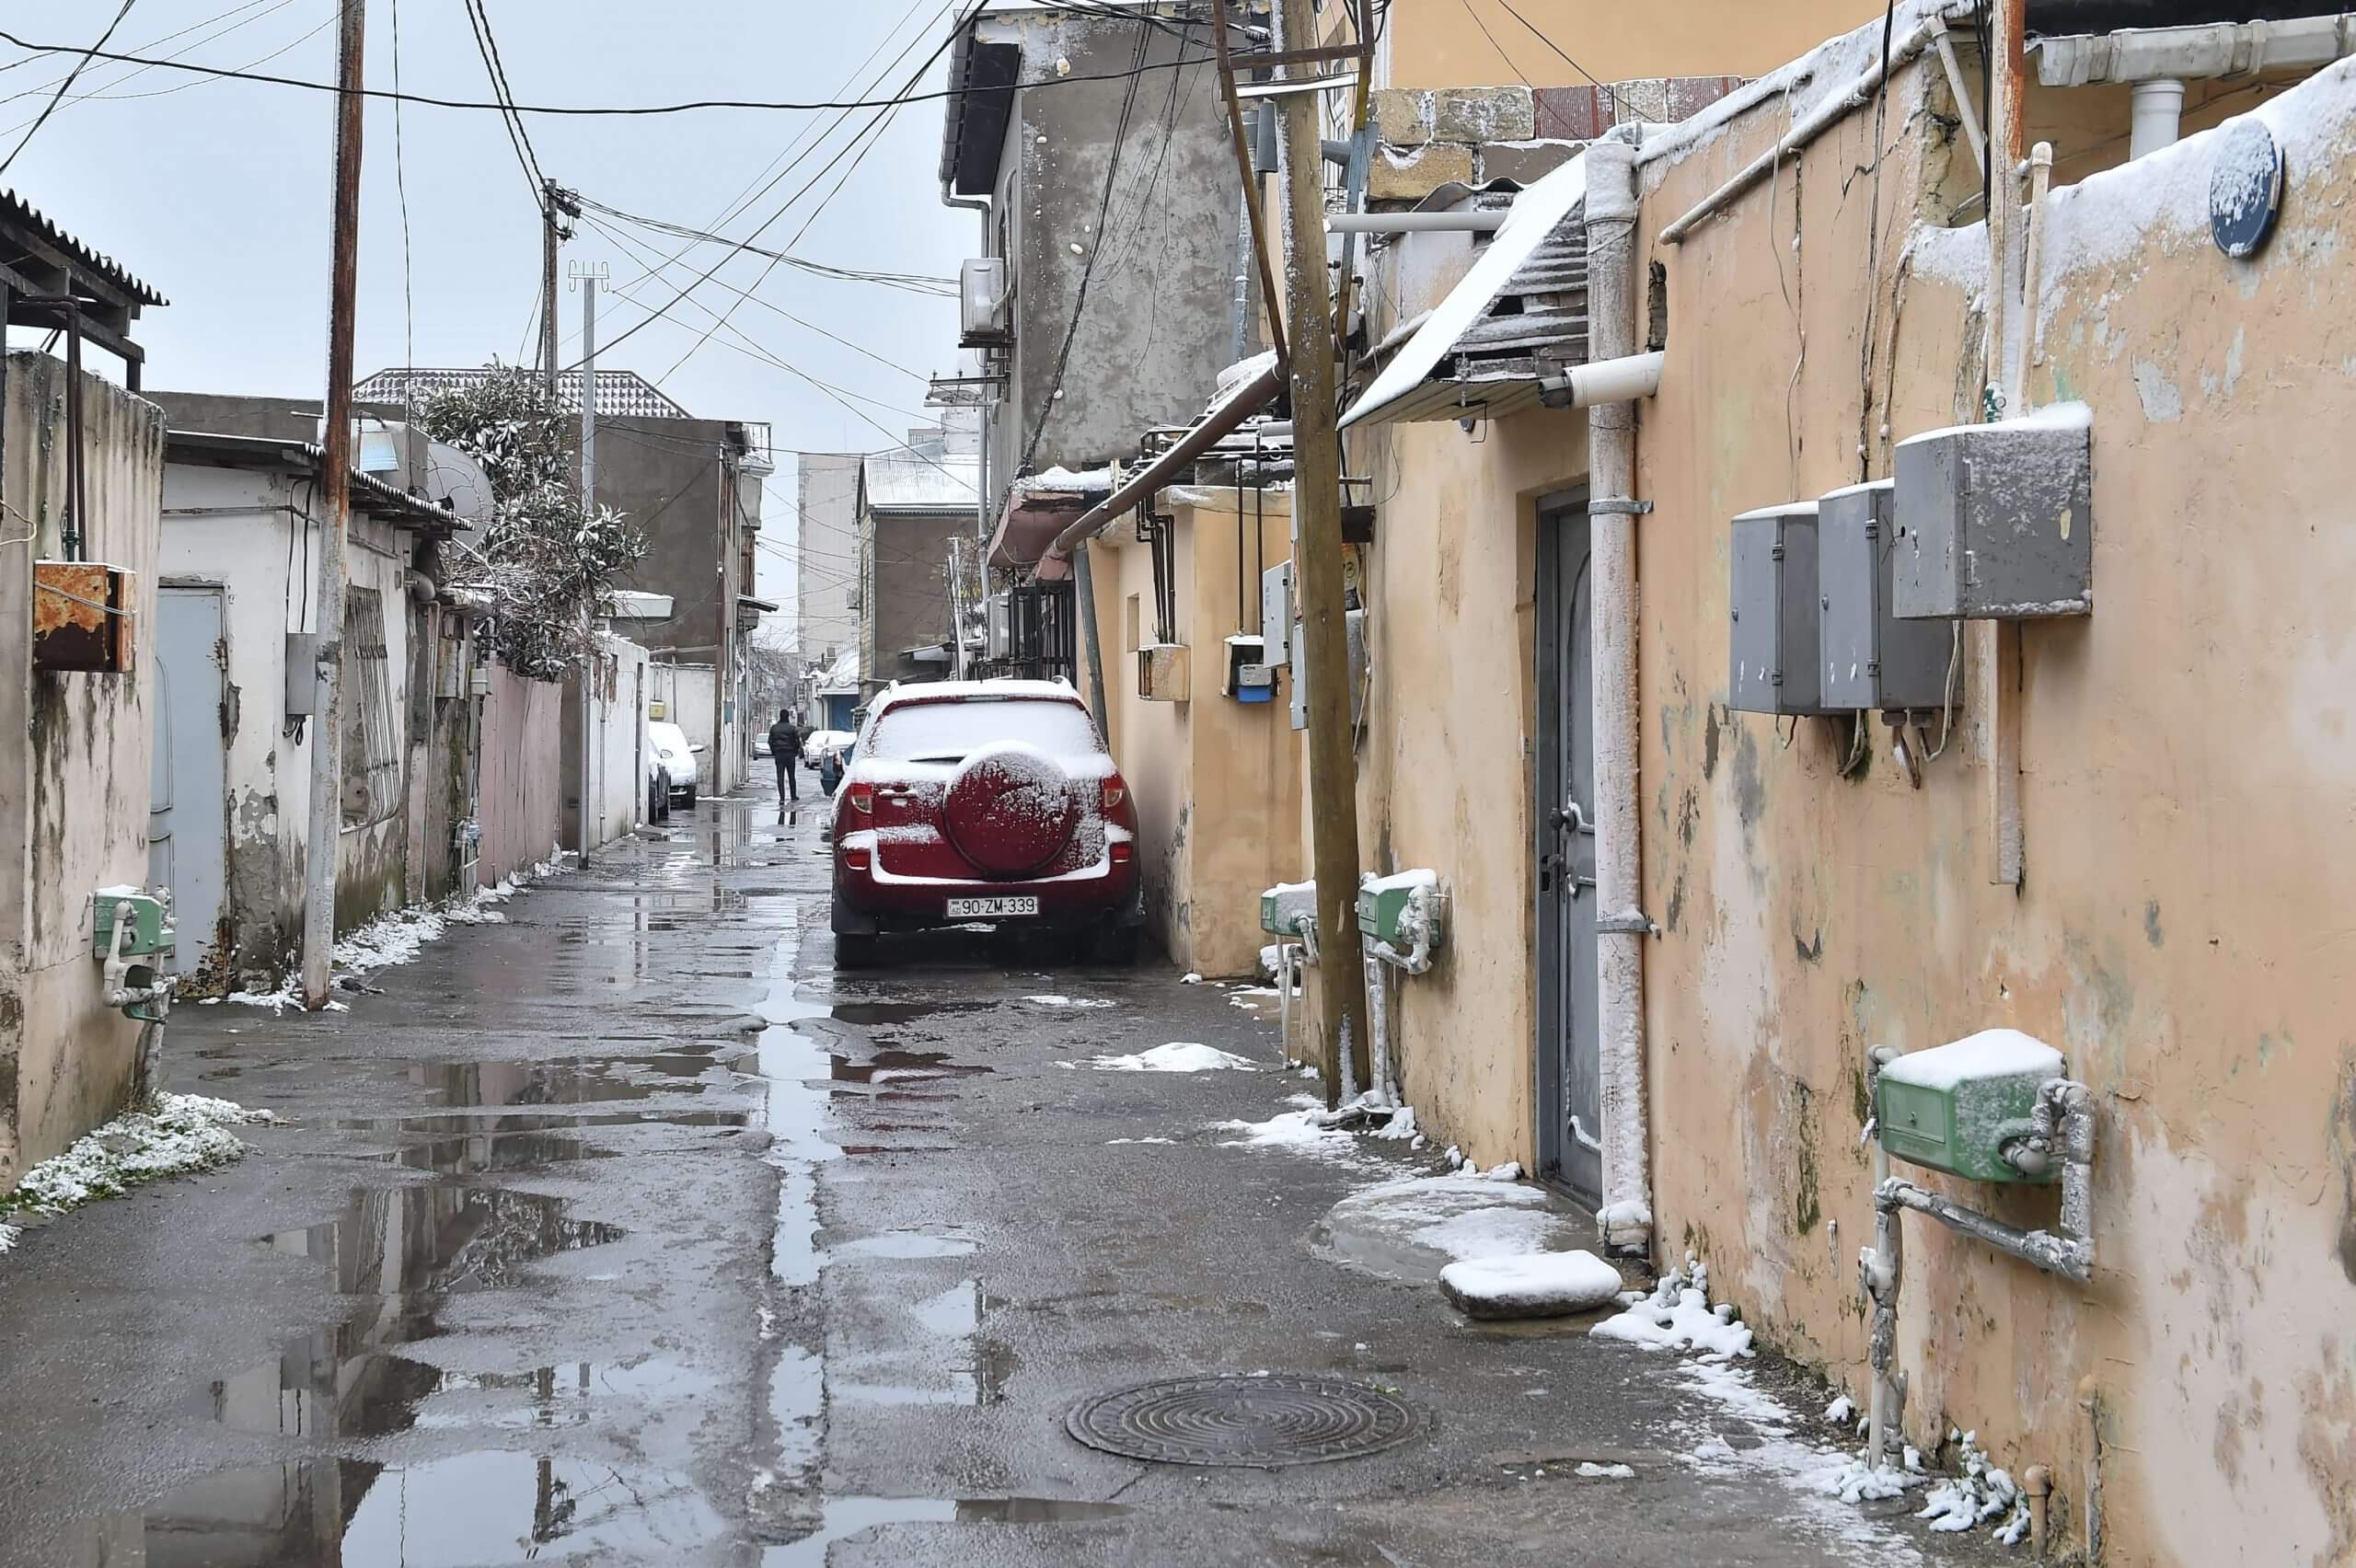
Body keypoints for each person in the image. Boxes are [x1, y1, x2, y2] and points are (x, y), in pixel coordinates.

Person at [768, 708, 803, 801]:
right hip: (790, 754)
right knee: (791, 776)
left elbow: (770, 741)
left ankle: (782, 798)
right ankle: (793, 796)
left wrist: (774, 752)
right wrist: (795, 752)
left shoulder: (774, 728)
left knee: (780, 777)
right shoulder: (792, 728)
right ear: (788, 716)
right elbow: (797, 742)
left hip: (779, 754)